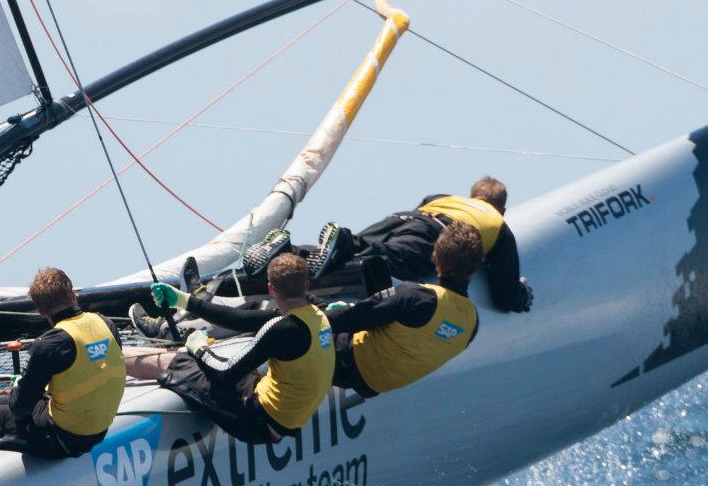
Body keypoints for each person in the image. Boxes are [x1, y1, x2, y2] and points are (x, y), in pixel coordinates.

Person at [124, 252, 334, 444]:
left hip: (256, 422)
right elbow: (242, 320)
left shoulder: (279, 329)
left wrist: (200, 348)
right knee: (185, 354)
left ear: (270, 288)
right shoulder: (318, 316)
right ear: (306, 285)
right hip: (275, 410)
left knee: (178, 362)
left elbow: (224, 374)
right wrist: (183, 300)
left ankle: (107, 359)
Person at [0, 266, 125, 459]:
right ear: (73, 295)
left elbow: (19, 408)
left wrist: (19, 386)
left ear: (41, 311)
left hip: (63, 440)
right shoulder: (105, 323)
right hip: (99, 430)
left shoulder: (49, 345)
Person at [309, 175, 532, 312]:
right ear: (502, 210)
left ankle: (306, 251)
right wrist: (520, 296)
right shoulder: (499, 226)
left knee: (357, 247)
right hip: (438, 231)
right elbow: (504, 291)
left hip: (404, 219)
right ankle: (348, 245)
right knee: (393, 260)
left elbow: (417, 215)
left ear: (472, 196)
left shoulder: (443, 197)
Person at [329, 222, 483, 396]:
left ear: (435, 255)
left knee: (310, 308)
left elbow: (351, 318)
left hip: (344, 357)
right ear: (474, 269)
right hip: (372, 386)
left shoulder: (415, 297)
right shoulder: (472, 322)